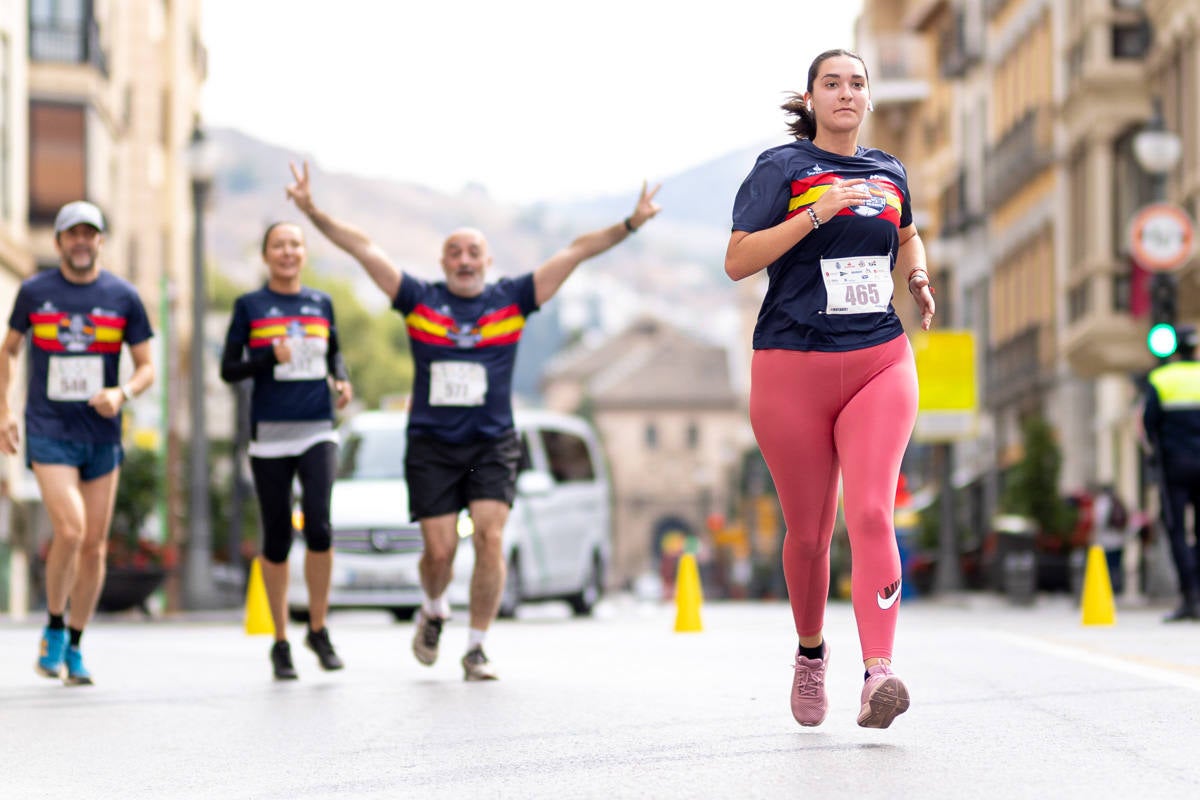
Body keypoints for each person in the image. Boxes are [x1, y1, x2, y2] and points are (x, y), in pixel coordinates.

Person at [285, 161, 660, 681]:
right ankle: (435, 607)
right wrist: (312, 212)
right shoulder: (419, 300)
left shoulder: (512, 299)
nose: (464, 260)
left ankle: (477, 646)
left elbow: (575, 251)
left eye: (474, 253)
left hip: (491, 442)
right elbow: (364, 248)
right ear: (444, 262)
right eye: (455, 253)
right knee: (438, 552)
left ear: (488, 261)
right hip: (432, 444)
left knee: (489, 536)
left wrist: (631, 223)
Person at [724, 49, 935, 729]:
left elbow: (907, 236)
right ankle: (811, 652)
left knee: (872, 511)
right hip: (791, 363)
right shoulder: (780, 169)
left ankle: (880, 674)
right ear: (812, 99)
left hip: (879, 356)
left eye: (856, 83)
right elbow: (738, 260)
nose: (846, 93)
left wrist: (918, 277)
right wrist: (817, 214)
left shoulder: (889, 170)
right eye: (832, 84)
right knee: (810, 535)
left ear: (869, 98)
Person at [0, 201, 154, 685]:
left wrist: (122, 392)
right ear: (59, 242)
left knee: (94, 546)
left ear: (101, 241)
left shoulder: (123, 296)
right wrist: (4, 410)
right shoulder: (35, 292)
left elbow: (148, 366)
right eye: (73, 234)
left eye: (90, 234)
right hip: (49, 430)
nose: (81, 242)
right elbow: (8, 351)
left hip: (101, 434)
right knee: (70, 530)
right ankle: (52, 625)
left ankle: (76, 645)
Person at [220, 221, 354, 679]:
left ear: (304, 252)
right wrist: (266, 360)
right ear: (266, 255)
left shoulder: (321, 302)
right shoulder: (250, 306)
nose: (288, 251)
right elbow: (229, 370)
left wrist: (341, 378)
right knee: (277, 536)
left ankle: (317, 627)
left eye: (295, 244)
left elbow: (333, 351)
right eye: (279, 245)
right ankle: (280, 640)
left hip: (318, 426)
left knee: (318, 524)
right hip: (270, 434)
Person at [1142, 324, 1200, 622]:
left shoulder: (1162, 378)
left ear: (1175, 349)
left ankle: (1190, 597)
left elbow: (1148, 425)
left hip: (1175, 466)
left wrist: (1155, 453)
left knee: (1176, 529)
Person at [1089, 484, 1129, 596]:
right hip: (1119, 540)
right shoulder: (1118, 500)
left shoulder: (1101, 502)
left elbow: (1099, 522)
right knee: (1117, 565)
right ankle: (1118, 587)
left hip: (1106, 541)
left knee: (1108, 567)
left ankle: (1110, 588)